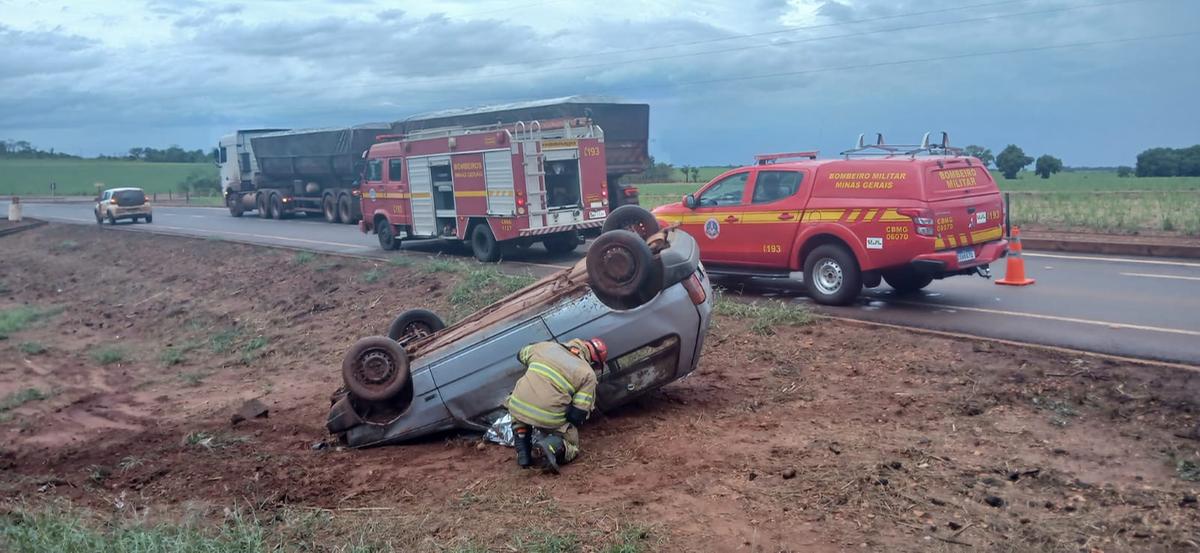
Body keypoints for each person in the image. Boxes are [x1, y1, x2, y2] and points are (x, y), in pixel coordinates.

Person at [505, 337, 607, 473]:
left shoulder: (545, 347)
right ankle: (549, 446)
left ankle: (523, 455)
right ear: (593, 362)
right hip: (548, 416)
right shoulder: (588, 374)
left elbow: (521, 354)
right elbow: (577, 415)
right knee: (571, 442)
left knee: (519, 417)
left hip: (517, 404)